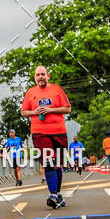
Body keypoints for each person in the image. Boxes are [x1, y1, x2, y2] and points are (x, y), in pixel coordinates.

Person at [21, 66, 71, 209]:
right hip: (40, 132)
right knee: (48, 161)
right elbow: (24, 112)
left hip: (59, 131)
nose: (40, 77)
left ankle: (58, 194)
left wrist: (51, 110)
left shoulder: (57, 89)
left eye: (43, 74)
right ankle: (53, 194)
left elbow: (68, 109)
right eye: (38, 75)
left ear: (48, 76)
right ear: (34, 77)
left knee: (58, 163)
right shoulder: (30, 92)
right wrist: (35, 112)